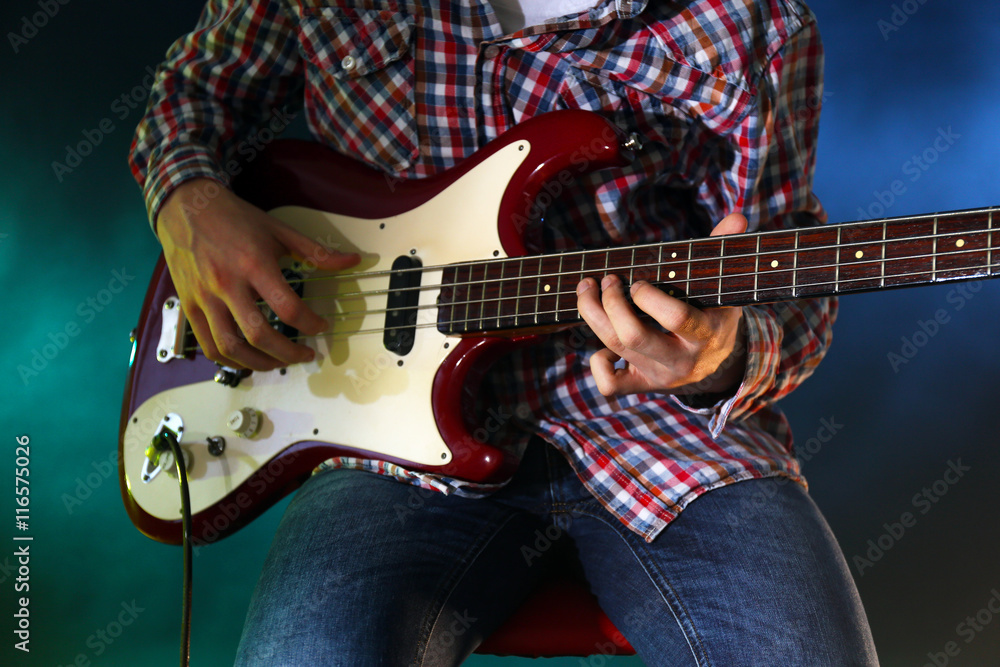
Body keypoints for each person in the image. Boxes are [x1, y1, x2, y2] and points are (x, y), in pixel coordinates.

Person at [130, 0, 880, 664]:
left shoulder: (749, 18)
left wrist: (724, 355)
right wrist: (187, 200)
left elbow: (790, 270)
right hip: (382, 434)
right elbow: (194, 92)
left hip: (658, 426)